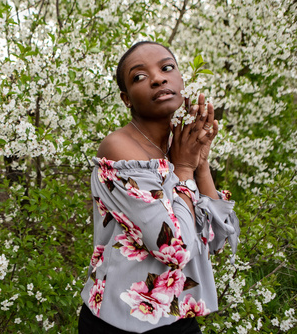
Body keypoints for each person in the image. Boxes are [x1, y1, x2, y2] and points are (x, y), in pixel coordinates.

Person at [78, 41, 240, 333]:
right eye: (140, 76)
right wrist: (184, 169)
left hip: (178, 316)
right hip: (121, 322)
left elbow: (217, 241)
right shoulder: (119, 150)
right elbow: (174, 249)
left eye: (167, 68)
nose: (158, 78)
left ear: (181, 81)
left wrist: (199, 162)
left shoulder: (179, 149)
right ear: (126, 99)